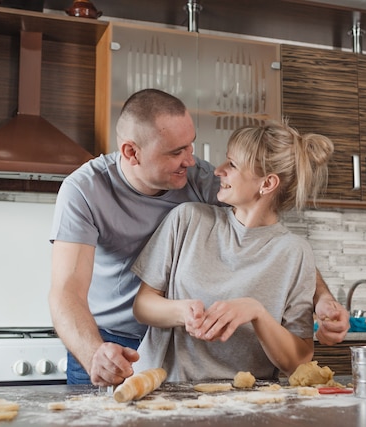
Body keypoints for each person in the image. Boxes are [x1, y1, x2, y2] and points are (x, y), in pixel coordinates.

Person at [49, 88, 349, 386]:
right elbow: (67, 290)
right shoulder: (85, 190)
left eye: (190, 146)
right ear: (131, 152)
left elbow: (272, 241)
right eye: (176, 152)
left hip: (178, 341)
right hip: (108, 336)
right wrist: (93, 354)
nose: (192, 161)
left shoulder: (199, 180)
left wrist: (323, 297)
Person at [131, 122, 333, 381]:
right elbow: (142, 306)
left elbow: (299, 362)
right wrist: (182, 312)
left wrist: (257, 313)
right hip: (165, 391)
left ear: (268, 183)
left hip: (247, 401)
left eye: (232, 165)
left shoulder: (294, 252)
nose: (218, 171)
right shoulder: (187, 219)